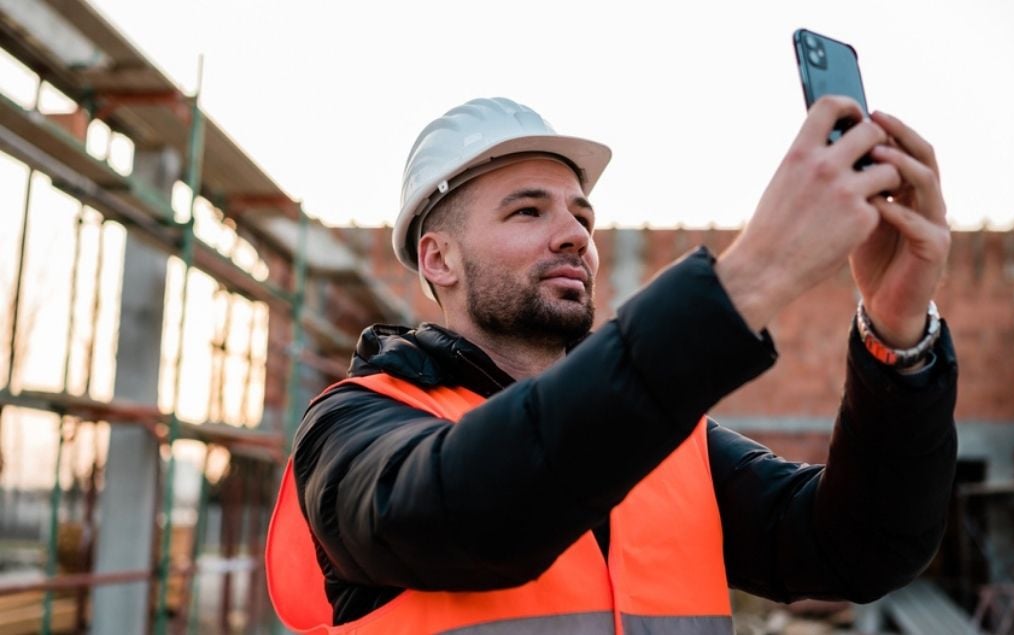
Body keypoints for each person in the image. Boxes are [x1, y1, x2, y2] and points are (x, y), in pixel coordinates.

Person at [265, 96, 958, 634]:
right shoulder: (354, 427)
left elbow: (861, 547)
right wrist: (750, 278)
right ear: (438, 258)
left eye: (582, 217)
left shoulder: (670, 443)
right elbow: (475, 509)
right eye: (528, 210)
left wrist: (897, 337)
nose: (574, 235)